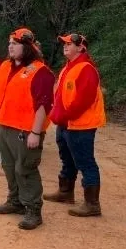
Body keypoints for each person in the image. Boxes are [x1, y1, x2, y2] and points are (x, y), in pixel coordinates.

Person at [0, 28, 54, 230]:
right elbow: (0, 96)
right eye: (9, 43)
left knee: (25, 169)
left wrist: (35, 132)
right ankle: (14, 201)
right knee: (8, 167)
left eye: (15, 43)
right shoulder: (4, 66)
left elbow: (43, 105)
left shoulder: (41, 71)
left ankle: (33, 210)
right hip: (3, 126)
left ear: (27, 47)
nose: (10, 46)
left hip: (26, 131)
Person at [45, 33, 106, 217]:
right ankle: (65, 192)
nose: (65, 45)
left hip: (80, 125)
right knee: (67, 159)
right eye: (64, 43)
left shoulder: (86, 69)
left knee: (86, 163)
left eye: (70, 43)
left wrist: (61, 115)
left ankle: (92, 204)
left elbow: (83, 101)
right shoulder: (68, 68)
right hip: (66, 123)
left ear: (81, 47)